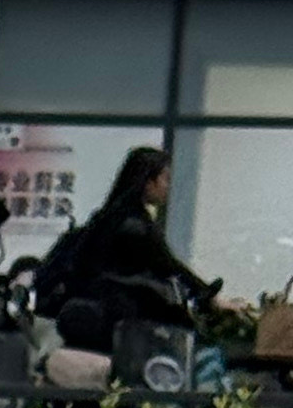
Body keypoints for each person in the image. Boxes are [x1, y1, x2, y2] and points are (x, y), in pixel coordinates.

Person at [33, 144, 218, 353]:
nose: (168, 186)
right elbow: (166, 264)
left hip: (100, 319)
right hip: (119, 321)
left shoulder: (109, 217)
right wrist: (208, 294)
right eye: (165, 179)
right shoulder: (134, 225)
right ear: (148, 182)